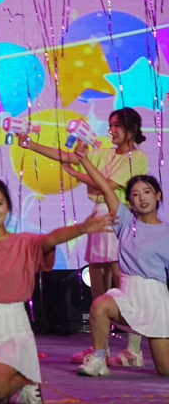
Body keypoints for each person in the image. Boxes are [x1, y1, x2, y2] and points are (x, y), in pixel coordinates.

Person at [0, 176, 115, 404]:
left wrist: (83, 228)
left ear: (7, 206)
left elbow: (50, 238)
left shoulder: (23, 242)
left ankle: (26, 380)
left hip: (11, 327)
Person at [17, 108, 148, 366]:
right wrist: (30, 144)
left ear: (132, 129)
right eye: (110, 125)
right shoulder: (104, 153)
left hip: (119, 217)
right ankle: (101, 348)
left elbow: (108, 185)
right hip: (99, 217)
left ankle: (134, 351)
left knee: (124, 284)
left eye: (117, 126)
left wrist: (77, 173)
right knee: (98, 284)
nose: (111, 130)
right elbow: (68, 156)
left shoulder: (138, 157)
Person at [71, 143, 169, 378]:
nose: (141, 197)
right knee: (100, 305)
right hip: (128, 295)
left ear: (158, 195)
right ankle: (99, 359)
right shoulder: (125, 223)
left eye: (147, 192)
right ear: (129, 201)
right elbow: (105, 187)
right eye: (134, 194)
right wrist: (84, 160)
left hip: (156, 300)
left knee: (165, 369)